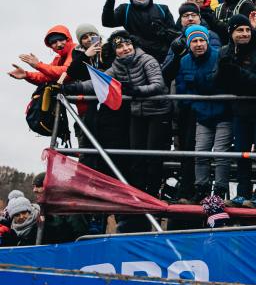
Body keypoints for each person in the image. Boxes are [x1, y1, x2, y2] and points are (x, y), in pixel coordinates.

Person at [65, 31, 169, 197]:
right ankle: (139, 193)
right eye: (120, 47)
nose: (125, 49)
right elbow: (99, 82)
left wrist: (136, 90)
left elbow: (158, 85)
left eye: (128, 44)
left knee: (153, 155)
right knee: (136, 156)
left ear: (133, 45)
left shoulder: (147, 60)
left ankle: (154, 192)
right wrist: (74, 87)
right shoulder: (117, 67)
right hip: (137, 113)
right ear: (115, 51)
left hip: (157, 112)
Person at [217, 15, 256, 208]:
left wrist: (235, 72)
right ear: (231, 33)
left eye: (247, 30)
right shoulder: (225, 51)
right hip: (239, 110)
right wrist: (224, 71)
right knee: (241, 153)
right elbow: (219, 84)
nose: (244, 34)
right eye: (239, 30)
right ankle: (242, 193)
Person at [169, 25, 231, 200]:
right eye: (194, 41)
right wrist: (195, 104)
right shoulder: (184, 61)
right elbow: (181, 89)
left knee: (221, 153)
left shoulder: (219, 55)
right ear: (189, 44)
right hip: (202, 115)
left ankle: (219, 190)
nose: (199, 44)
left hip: (223, 113)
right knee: (200, 153)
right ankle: (201, 189)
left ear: (207, 41)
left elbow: (228, 82)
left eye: (202, 40)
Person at [101, 0, 176, 64]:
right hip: (136, 60)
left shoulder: (162, 9)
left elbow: (174, 34)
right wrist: (110, 0)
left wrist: (165, 32)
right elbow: (107, 22)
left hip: (162, 59)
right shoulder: (125, 9)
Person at [8, 26, 75, 86]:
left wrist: (38, 65)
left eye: (61, 39)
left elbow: (66, 72)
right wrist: (26, 75)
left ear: (68, 39)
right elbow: (46, 76)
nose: (59, 44)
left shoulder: (76, 50)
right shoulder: (58, 58)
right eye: (53, 42)